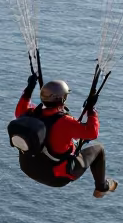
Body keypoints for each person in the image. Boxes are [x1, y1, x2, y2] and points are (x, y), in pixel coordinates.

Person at [14, 68, 117, 198]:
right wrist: (92, 111)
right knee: (99, 149)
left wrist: (29, 89)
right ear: (62, 99)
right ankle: (101, 188)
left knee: (70, 143)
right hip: (55, 177)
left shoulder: (30, 114)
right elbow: (92, 133)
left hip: (28, 167)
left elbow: (19, 110)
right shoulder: (65, 122)